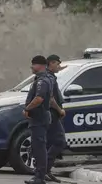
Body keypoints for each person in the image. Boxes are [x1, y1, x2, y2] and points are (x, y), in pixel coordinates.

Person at [23, 55, 53, 184]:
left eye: (33, 64)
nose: (31, 67)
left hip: (39, 118)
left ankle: (39, 177)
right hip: (40, 118)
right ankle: (39, 176)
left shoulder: (42, 81)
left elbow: (39, 99)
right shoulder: (43, 79)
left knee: (39, 148)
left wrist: (27, 109)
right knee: (38, 147)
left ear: (40, 65)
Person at [44, 55, 66, 183]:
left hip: (51, 114)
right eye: (57, 64)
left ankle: (45, 171)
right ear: (51, 63)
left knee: (50, 142)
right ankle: (44, 170)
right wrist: (60, 110)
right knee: (59, 141)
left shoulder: (49, 76)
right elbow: (51, 99)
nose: (59, 66)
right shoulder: (49, 78)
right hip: (52, 113)